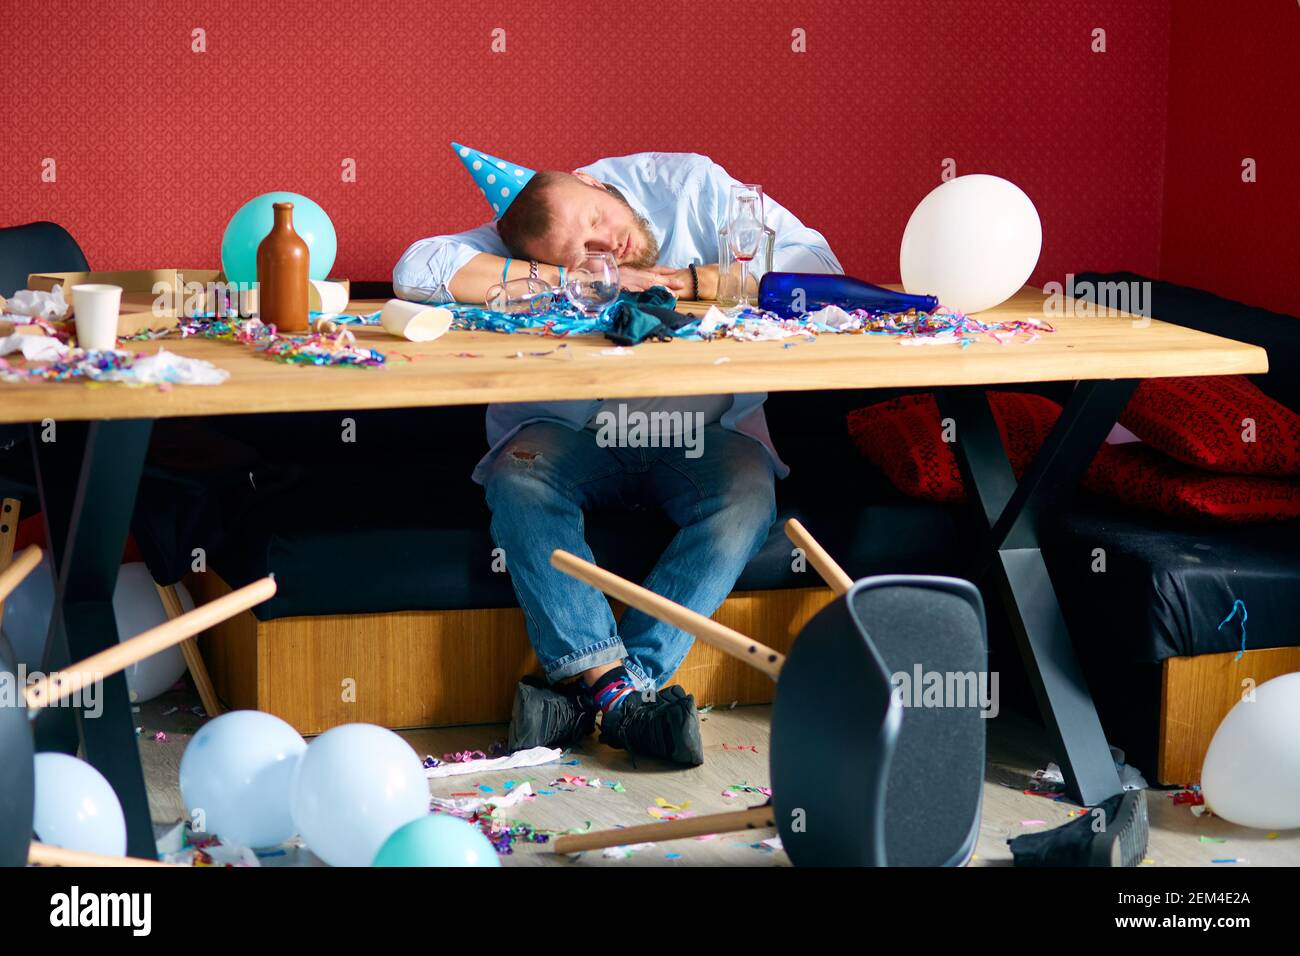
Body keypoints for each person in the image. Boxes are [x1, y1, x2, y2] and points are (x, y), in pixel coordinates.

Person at [393, 144, 842, 767]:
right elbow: (417, 269)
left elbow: (818, 263)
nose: (611, 244)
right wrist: (575, 279)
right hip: (574, 437)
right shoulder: (525, 240)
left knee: (747, 487)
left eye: (599, 220)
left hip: (701, 435)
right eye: (589, 250)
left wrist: (681, 281)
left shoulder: (687, 185)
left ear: (592, 181)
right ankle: (626, 698)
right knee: (519, 476)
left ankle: (598, 691)